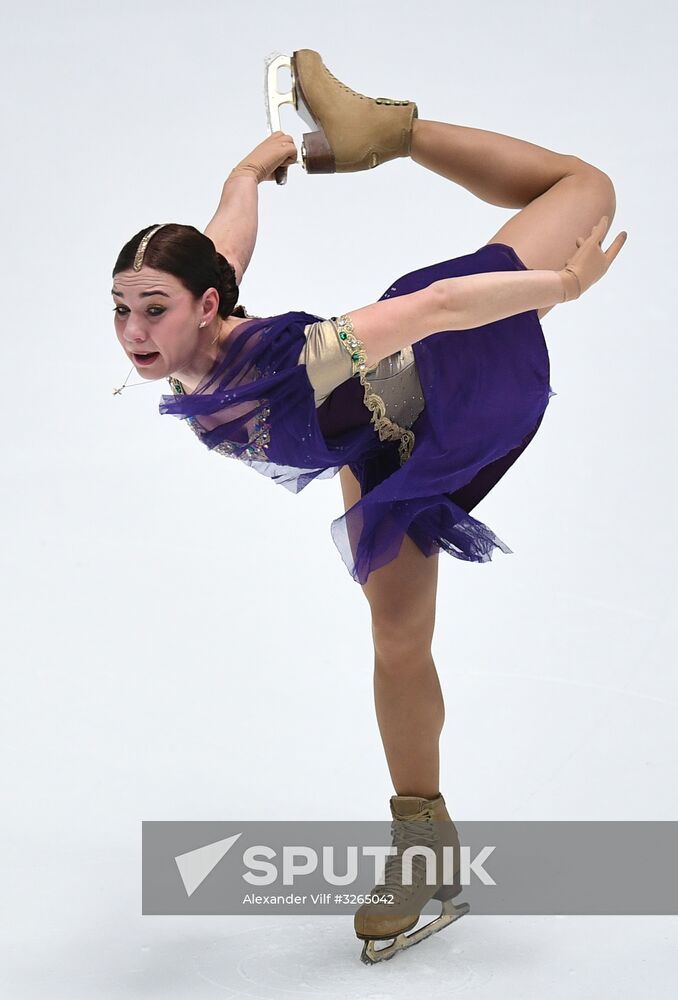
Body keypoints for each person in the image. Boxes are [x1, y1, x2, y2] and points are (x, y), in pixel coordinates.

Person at [111, 49, 627, 963]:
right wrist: (252, 167)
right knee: (397, 645)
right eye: (120, 308)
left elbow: (434, 308)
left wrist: (561, 288)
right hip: (369, 446)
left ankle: (395, 133)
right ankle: (423, 845)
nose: (134, 332)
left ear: (203, 306)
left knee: (588, 187)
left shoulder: (294, 357)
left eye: (152, 308)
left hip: (446, 369)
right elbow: (228, 229)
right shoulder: (203, 308)